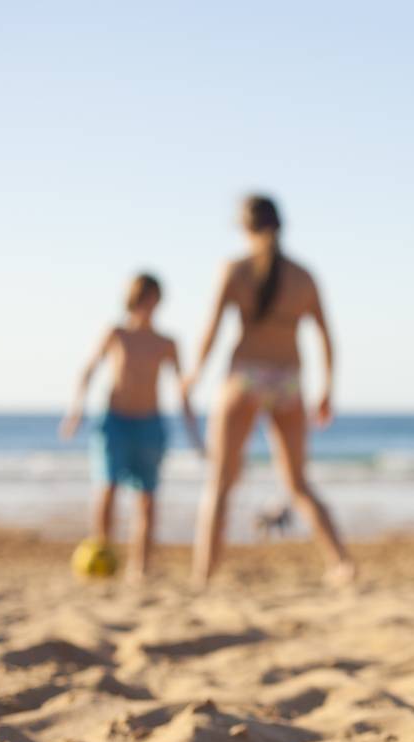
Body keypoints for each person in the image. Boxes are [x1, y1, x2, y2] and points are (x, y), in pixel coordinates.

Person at [185, 194, 354, 586]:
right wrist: (328, 388)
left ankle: (204, 574)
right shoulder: (304, 276)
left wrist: (193, 374)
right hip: (289, 381)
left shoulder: (235, 269)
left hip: (244, 378)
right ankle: (340, 562)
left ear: (244, 227)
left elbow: (210, 330)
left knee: (221, 483)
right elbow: (327, 337)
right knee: (297, 483)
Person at [61, 273, 202, 581]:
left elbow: (182, 391)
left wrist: (195, 437)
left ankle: (140, 568)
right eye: (142, 298)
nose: (148, 305)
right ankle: (101, 555)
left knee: (147, 499)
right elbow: (89, 369)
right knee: (108, 489)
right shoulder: (117, 333)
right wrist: (76, 411)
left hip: (150, 425)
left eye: (152, 298)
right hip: (115, 422)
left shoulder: (168, 343)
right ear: (134, 300)